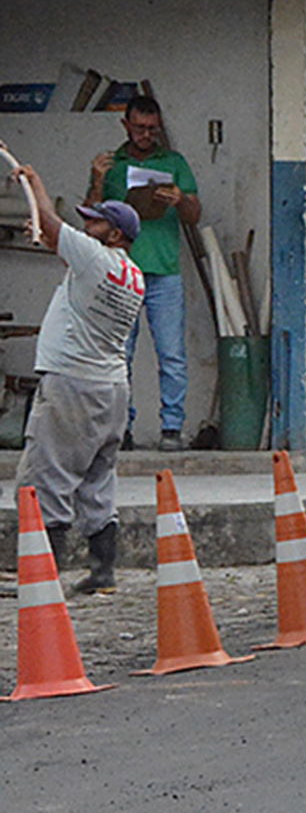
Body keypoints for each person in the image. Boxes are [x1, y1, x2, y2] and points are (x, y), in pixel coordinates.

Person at [8, 147, 145, 596]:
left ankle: (39, 577)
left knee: (44, 477)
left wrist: (33, 183)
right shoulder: (131, 274)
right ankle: (102, 572)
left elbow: (51, 224)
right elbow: (59, 241)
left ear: (115, 234)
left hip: (72, 384)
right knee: (97, 481)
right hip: (113, 387)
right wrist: (47, 225)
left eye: (97, 222)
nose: (88, 226)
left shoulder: (95, 258)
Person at [85, 92, 198, 449]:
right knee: (120, 354)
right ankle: (123, 428)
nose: (146, 135)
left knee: (171, 354)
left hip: (164, 270)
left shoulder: (174, 162)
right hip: (121, 271)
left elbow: (194, 215)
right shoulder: (111, 164)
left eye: (152, 129)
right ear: (125, 125)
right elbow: (90, 220)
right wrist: (98, 181)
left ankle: (172, 429)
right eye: (139, 128)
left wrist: (180, 199)